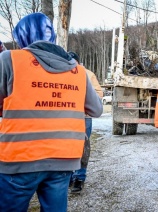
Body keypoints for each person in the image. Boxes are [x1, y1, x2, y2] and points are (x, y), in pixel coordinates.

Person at [0, 12, 103, 211]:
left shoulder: (9, 59)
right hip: (62, 161)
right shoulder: (79, 72)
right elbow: (97, 109)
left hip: (19, 160)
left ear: (22, 38)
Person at [68, 51, 104, 193]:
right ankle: (69, 177)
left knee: (82, 148)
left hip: (83, 117)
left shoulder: (87, 74)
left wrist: (84, 103)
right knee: (68, 147)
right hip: (66, 117)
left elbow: (98, 93)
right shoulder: (60, 72)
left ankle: (79, 178)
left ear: (78, 62)